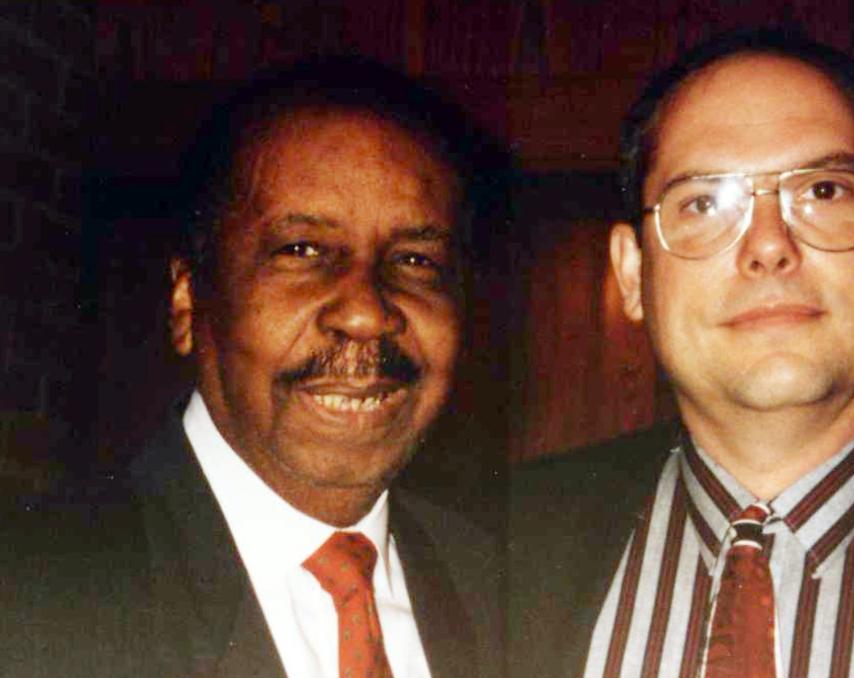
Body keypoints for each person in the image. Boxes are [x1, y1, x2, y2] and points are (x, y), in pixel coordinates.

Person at [10, 57, 502, 678]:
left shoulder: (509, 591)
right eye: (303, 251)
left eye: (415, 260)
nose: (366, 313)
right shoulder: (35, 597)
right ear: (189, 302)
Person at [509, 30, 854, 678]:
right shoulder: (494, 546)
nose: (769, 245)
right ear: (633, 275)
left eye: (824, 191)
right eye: (703, 203)